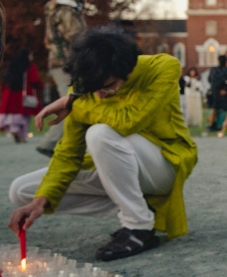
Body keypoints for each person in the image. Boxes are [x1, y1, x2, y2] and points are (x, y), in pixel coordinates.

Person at [8, 30, 198, 261]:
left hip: (164, 163)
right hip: (120, 164)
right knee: (22, 191)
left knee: (99, 134)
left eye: (108, 86)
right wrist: (40, 202)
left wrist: (73, 104)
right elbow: (68, 155)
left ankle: (139, 226)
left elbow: (128, 121)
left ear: (126, 70)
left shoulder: (163, 67)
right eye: (92, 90)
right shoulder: (85, 86)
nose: (99, 96)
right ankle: (136, 204)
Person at [38, 0, 89, 156]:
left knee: (74, 99)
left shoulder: (59, 9)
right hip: (65, 63)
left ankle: (59, 143)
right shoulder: (67, 11)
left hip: (61, 62)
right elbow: (78, 38)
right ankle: (51, 143)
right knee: (73, 100)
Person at [0, 49, 42, 142]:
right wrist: (40, 86)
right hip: (25, 93)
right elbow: (34, 80)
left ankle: (14, 129)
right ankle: (22, 135)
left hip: (10, 93)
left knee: (13, 113)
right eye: (31, 55)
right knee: (24, 114)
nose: (32, 57)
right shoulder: (30, 67)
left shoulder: (12, 66)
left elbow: (5, 80)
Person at [206, 55, 227, 131]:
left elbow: (211, 80)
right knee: (219, 109)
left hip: (219, 93)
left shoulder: (215, 70)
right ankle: (215, 124)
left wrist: (223, 89)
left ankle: (216, 125)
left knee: (218, 108)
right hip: (221, 93)